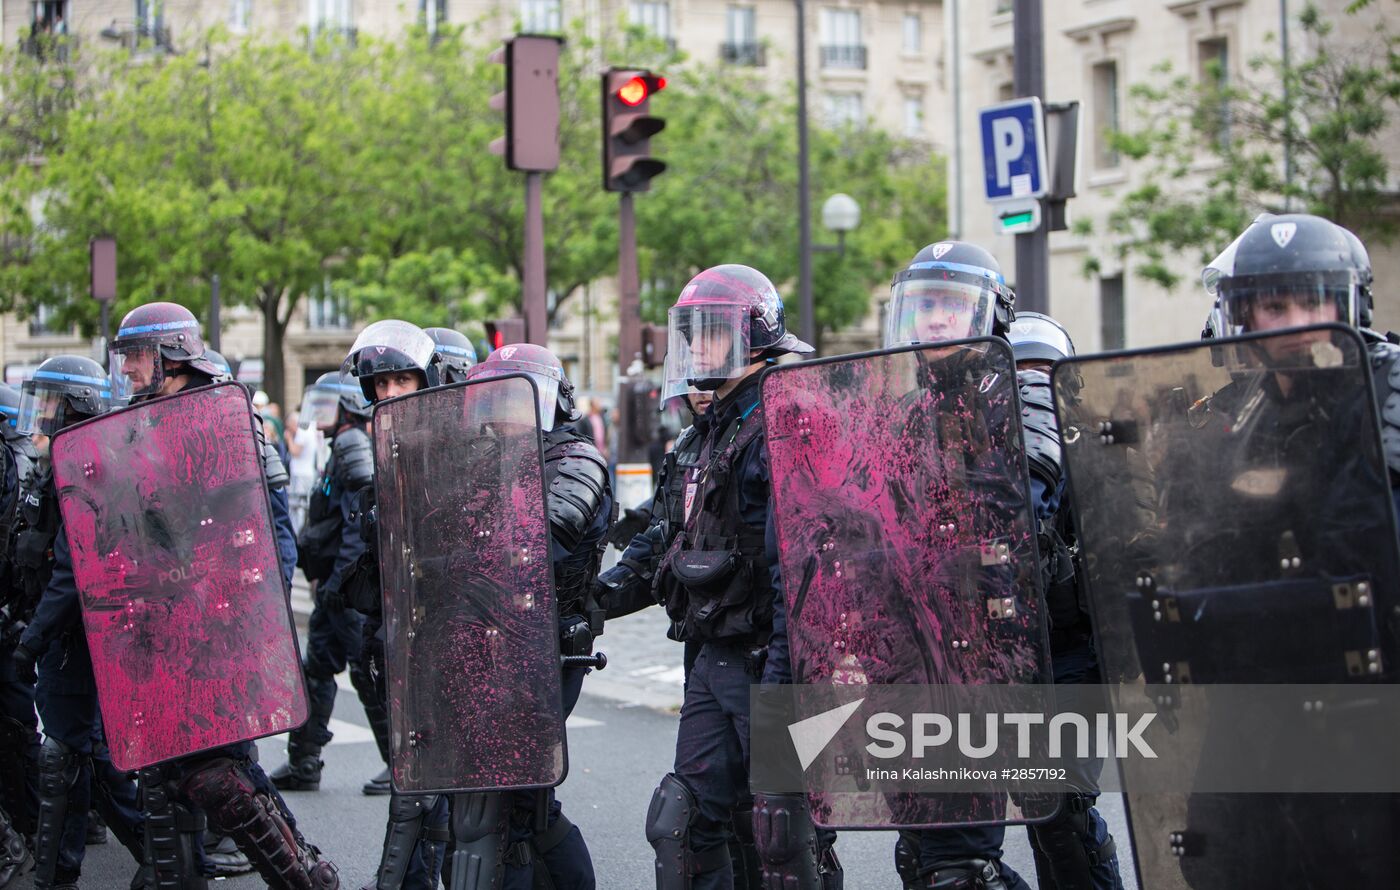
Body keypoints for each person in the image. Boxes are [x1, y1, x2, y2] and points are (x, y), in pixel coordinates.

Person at [100, 301, 338, 888]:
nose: (127, 370)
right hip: (160, 619)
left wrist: (247, 619)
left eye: (136, 356)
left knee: (217, 774)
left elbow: (267, 537)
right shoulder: (141, 418)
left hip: (217, 620)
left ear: (171, 356)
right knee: (160, 770)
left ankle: (302, 877)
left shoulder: (223, 419)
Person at [642, 264, 839, 890]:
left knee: (785, 833)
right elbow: (676, 537)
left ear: (755, 334)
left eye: (711, 332)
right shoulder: (716, 423)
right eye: (690, 333)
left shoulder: (786, 418)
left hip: (771, 661)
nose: (695, 346)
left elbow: (800, 572)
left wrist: (785, 689)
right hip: (715, 655)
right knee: (684, 821)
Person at [881, 241, 1033, 890]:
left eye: (951, 305)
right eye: (923, 307)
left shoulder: (1015, 405)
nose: (935, 321)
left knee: (962, 870)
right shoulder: (909, 416)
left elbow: (1036, 518)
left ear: (991, 316)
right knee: (921, 858)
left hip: (984, 665)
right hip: (912, 669)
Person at [442, 343, 612, 890]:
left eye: (513, 400)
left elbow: (541, 544)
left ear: (551, 400)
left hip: (546, 649)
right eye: (490, 402)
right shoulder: (492, 464)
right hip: (486, 645)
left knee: (512, 804)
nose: (499, 414)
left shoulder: (575, 460)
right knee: (509, 803)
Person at [1005, 312, 1124, 890]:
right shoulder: (980, 452)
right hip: (1012, 657)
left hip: (1076, 650)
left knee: (1062, 811)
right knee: (1034, 807)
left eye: (1041, 372)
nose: (1029, 386)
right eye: (1016, 372)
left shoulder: (1097, 449)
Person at [276, 327, 416, 797]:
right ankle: (311, 757)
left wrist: (339, 585)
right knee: (334, 667)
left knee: (350, 669)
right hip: (340, 583)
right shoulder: (350, 442)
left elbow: (362, 523)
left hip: (345, 588)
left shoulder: (354, 445)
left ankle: (388, 763)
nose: (319, 418)